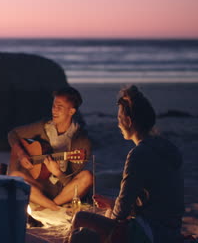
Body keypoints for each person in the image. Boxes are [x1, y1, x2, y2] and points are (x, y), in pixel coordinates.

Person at [70, 85, 184, 243]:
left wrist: (115, 208)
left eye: (119, 119)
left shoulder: (139, 154)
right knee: (107, 214)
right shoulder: (167, 148)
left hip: (148, 234)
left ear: (129, 121)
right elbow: (155, 201)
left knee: (80, 218)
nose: (118, 125)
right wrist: (112, 203)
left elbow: (120, 213)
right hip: (171, 231)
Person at [8, 86, 93, 211]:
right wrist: (21, 154)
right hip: (39, 186)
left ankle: (49, 205)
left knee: (88, 177)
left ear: (71, 111)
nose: (55, 110)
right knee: (14, 175)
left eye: (60, 107)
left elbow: (71, 183)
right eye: (54, 106)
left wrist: (57, 172)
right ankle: (52, 206)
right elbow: (12, 134)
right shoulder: (43, 127)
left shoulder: (81, 142)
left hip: (63, 191)